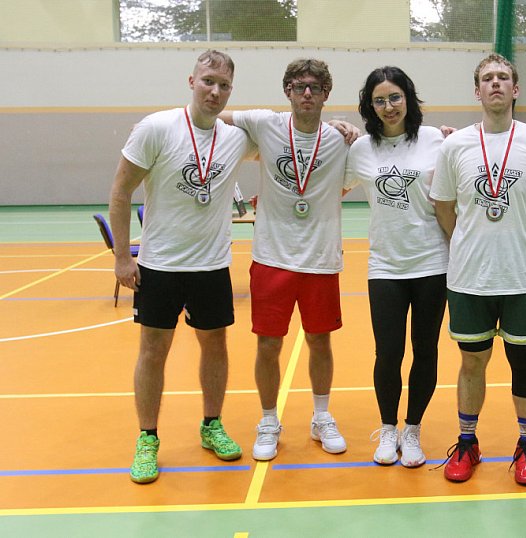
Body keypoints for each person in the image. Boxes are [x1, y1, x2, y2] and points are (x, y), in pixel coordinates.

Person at [109, 50, 257, 484]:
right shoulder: (156, 128)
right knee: (153, 352)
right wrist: (121, 256)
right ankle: (148, 438)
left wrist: (339, 127)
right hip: (160, 265)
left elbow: (289, 136)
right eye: (208, 81)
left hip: (211, 265)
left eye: (224, 85)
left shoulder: (236, 138)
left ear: (232, 91)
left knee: (215, 345)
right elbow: (120, 193)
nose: (215, 91)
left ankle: (211, 424)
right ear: (191, 80)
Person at [429, 53, 526, 485]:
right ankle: (467, 443)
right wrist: (469, 243)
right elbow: (444, 207)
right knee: (473, 362)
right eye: (487, 78)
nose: (495, 84)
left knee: (523, 360)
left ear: (515, 89)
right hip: (469, 276)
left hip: (523, 276)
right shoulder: (455, 147)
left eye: (503, 77)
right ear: (477, 91)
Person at [219, 58, 356, 461]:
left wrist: (347, 125)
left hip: (319, 259)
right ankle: (267, 421)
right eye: (299, 86)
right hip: (272, 258)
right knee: (267, 345)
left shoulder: (340, 140)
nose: (307, 93)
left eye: (314, 86)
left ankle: (321, 416)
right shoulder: (266, 124)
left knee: (320, 341)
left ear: (326, 93)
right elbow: (214, 114)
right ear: (288, 92)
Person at [344, 67, 449, 467]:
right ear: (369, 106)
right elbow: (330, 187)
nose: (388, 107)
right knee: (388, 352)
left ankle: (413, 430)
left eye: (395, 97)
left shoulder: (434, 140)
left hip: (431, 262)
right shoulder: (360, 150)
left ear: (408, 98)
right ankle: (388, 429)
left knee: (425, 350)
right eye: (379, 100)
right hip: (385, 265)